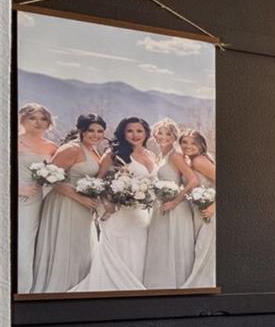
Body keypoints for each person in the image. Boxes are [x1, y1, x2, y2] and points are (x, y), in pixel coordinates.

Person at [71, 116, 157, 293]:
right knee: (119, 251)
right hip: (117, 213)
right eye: (130, 131)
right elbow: (99, 182)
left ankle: (134, 290)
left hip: (141, 214)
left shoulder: (150, 155)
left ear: (146, 133)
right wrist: (107, 203)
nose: (135, 135)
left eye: (139, 131)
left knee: (139, 251)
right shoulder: (113, 154)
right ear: (123, 133)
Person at [31, 114, 106, 293]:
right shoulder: (71, 149)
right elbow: (51, 179)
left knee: (79, 248)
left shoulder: (94, 150)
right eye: (91, 130)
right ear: (82, 130)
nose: (96, 135)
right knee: (66, 247)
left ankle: (77, 290)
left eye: (100, 131)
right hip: (65, 203)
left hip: (83, 207)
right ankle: (60, 290)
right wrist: (81, 198)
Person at [143, 118, 201, 290]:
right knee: (161, 246)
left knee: (173, 246)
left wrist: (174, 202)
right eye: (160, 133)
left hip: (175, 208)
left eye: (168, 134)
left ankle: (175, 286)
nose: (163, 137)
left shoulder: (175, 156)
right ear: (154, 135)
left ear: (174, 137)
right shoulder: (160, 156)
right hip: (160, 207)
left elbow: (193, 180)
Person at [15, 103, 58, 294]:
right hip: (15, 197)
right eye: (32, 118)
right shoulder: (12, 141)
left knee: (33, 243)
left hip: (40, 199)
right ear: (22, 119)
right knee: (19, 242)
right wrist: (16, 189)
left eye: (43, 119)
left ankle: (30, 290)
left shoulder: (52, 147)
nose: (38, 122)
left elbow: (59, 174)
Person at [179, 129, 216, 290]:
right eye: (184, 142)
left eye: (193, 143)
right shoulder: (190, 161)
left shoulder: (199, 161)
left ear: (201, 146)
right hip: (197, 211)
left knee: (204, 249)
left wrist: (213, 207)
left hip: (208, 211)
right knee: (200, 249)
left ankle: (201, 286)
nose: (188, 146)